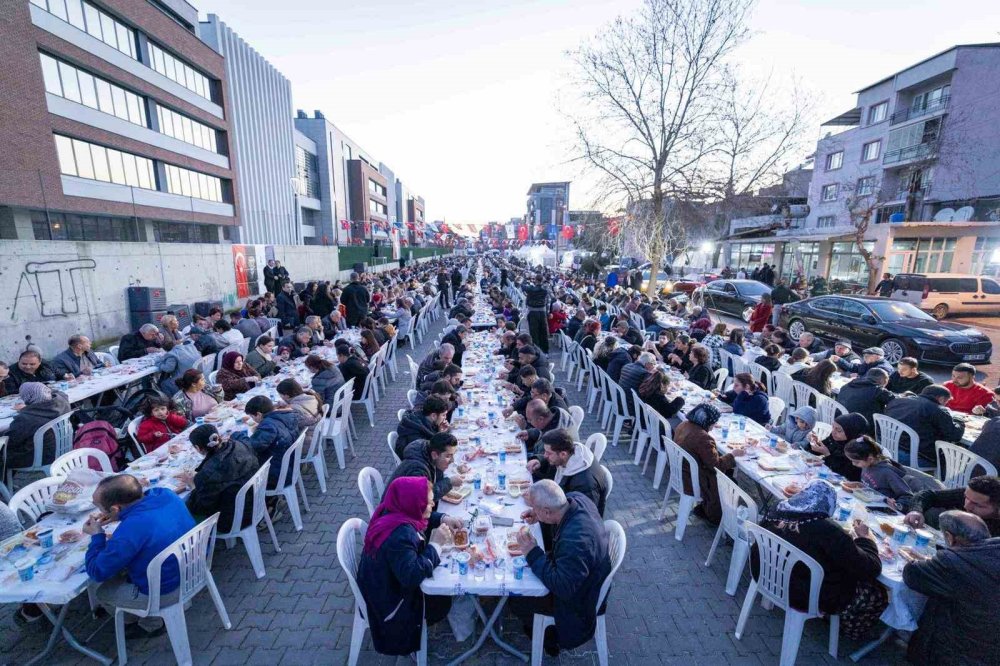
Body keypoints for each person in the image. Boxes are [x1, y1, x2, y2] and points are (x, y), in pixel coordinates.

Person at [751, 481, 888, 641]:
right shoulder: (828, 530)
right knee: (876, 592)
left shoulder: (778, 507)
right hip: (801, 594)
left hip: (763, 572)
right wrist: (865, 539)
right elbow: (871, 568)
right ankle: (848, 631)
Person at [84, 475, 196, 637]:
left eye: (100, 507)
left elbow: (97, 571)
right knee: (124, 565)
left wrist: (97, 536)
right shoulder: (165, 494)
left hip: (167, 590)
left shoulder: (130, 530)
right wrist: (119, 515)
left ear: (115, 508)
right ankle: (152, 616)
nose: (100, 512)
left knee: (102, 592)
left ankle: (150, 623)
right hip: (193, 569)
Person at [511, 480, 611, 656]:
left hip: (579, 600)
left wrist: (532, 552)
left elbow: (562, 586)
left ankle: (550, 639)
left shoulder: (575, 542)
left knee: (517, 599)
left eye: (535, 508)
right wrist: (540, 518)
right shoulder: (576, 499)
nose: (532, 510)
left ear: (548, 511)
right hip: (584, 574)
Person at [357, 476, 453, 657]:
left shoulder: (392, 511)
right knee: (444, 600)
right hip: (392, 604)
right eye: (429, 503)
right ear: (415, 504)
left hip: (384, 584)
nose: (432, 506)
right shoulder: (400, 535)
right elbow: (412, 576)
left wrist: (443, 519)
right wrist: (436, 545)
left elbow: (422, 516)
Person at [903, 511, 1000, 666]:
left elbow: (911, 574)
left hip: (959, 650)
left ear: (949, 537)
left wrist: (928, 561)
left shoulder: (952, 562)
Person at [181, 425, 260, 533]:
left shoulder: (206, 474)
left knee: (185, 508)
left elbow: (200, 507)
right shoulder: (238, 444)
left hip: (235, 518)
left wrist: (192, 485)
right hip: (257, 500)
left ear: (198, 448)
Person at [674, 403, 740, 524]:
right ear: (707, 421)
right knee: (731, 481)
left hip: (681, 471)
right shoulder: (703, 438)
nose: (714, 425)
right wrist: (733, 455)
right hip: (693, 480)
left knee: (728, 470)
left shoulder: (684, 425)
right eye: (713, 422)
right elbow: (716, 466)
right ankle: (716, 516)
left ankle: (707, 508)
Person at [389, 433, 466, 531]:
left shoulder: (427, 453)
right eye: (448, 456)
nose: (452, 461)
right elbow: (420, 506)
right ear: (434, 454)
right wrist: (449, 482)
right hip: (399, 522)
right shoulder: (417, 471)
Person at [844, 437, 943, 511]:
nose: (853, 464)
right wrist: (861, 486)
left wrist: (897, 505)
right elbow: (874, 486)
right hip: (868, 504)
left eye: (856, 462)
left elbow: (907, 496)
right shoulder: (867, 465)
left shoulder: (887, 472)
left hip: (885, 511)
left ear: (870, 458)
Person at [527, 429, 607, 517]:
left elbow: (581, 516)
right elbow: (555, 460)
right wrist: (540, 461)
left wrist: (540, 513)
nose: (545, 455)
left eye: (548, 453)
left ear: (563, 454)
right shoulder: (571, 452)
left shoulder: (585, 484)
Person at [230, 395, 303, 489]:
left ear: (259, 414)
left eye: (252, 417)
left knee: (239, 468)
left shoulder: (269, 426)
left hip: (278, 473)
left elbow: (252, 447)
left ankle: (267, 499)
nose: (253, 419)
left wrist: (237, 435)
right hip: (291, 463)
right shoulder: (284, 416)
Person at [884, 385, 965, 462]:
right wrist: (959, 420)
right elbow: (955, 436)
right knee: (955, 455)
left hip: (890, 447)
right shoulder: (936, 409)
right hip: (917, 455)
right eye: (946, 402)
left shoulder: (897, 401)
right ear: (941, 399)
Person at [5, 383, 71, 473]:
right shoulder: (62, 402)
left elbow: (10, 441)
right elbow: (60, 393)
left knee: (3, 451)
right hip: (60, 448)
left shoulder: (26, 417)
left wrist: (27, 408)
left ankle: (4, 485)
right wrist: (41, 390)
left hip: (37, 456)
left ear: (27, 398)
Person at [904, 475, 1000, 536]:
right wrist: (916, 510)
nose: (967, 506)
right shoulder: (972, 495)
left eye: (977, 505)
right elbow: (928, 495)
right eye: (966, 498)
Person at [807, 413, 869, 482]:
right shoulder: (834, 438)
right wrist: (814, 442)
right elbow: (814, 451)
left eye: (839, 430)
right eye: (833, 427)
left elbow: (845, 475)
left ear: (851, 432)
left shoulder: (857, 449)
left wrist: (827, 454)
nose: (833, 432)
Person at [524, 274, 551, 353]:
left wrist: (527, 279)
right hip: (542, 312)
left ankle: (536, 351)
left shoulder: (531, 289)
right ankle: (545, 351)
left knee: (534, 332)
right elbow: (548, 301)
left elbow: (523, 286)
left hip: (533, 312)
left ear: (535, 280)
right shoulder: (545, 289)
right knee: (543, 332)